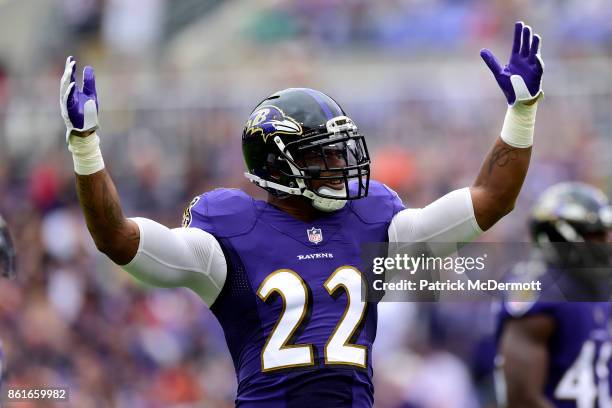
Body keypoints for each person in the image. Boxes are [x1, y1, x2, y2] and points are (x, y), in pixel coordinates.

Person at [59, 22, 544, 407]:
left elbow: (490, 199)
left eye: (340, 152)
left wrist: (521, 112)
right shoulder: (228, 238)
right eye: (323, 156)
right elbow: (118, 239)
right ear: (275, 165)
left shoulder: (375, 224)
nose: (340, 166)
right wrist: (86, 148)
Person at [496, 182, 612, 408]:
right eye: (596, 236)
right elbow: (523, 399)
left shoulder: (597, 286)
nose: (606, 244)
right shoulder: (541, 292)